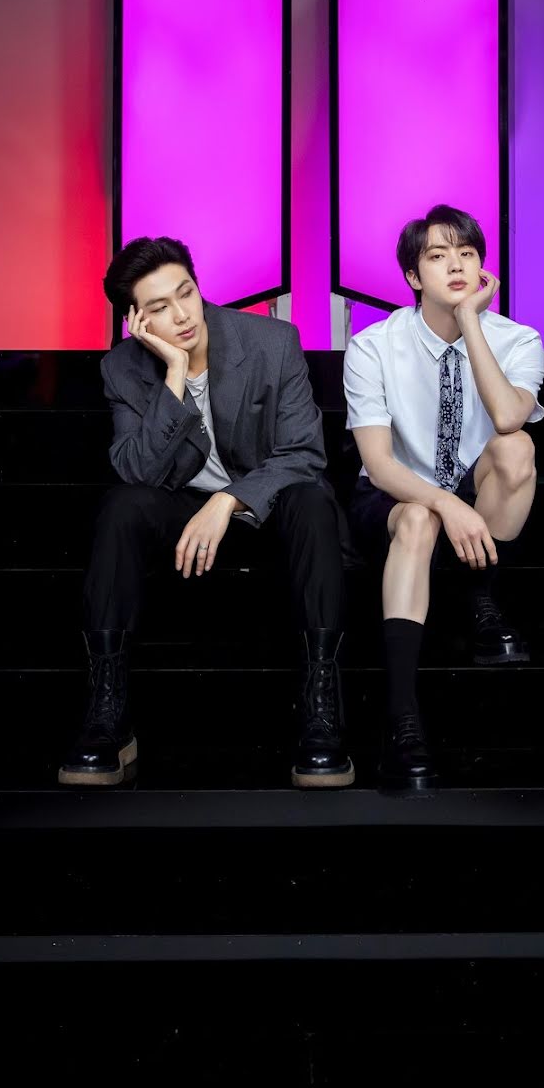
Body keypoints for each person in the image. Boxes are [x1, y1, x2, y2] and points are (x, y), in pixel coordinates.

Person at [59, 235, 354, 789]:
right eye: (159, 307)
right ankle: (107, 711)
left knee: (314, 500)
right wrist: (173, 375)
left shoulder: (271, 341)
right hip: (181, 512)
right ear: (135, 321)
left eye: (186, 293)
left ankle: (322, 705)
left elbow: (304, 453)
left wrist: (229, 498)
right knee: (121, 508)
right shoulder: (122, 369)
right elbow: (137, 469)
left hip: (265, 508)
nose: (182, 315)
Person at [343, 204, 544, 790]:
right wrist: (444, 503)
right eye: (438, 256)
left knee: (517, 449)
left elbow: (507, 418)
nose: (456, 265)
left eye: (467, 253)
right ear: (413, 275)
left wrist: (471, 324)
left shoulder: (519, 340)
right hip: (396, 492)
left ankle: (479, 594)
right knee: (417, 520)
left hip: (474, 483)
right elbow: (379, 464)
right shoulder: (373, 346)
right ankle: (401, 719)